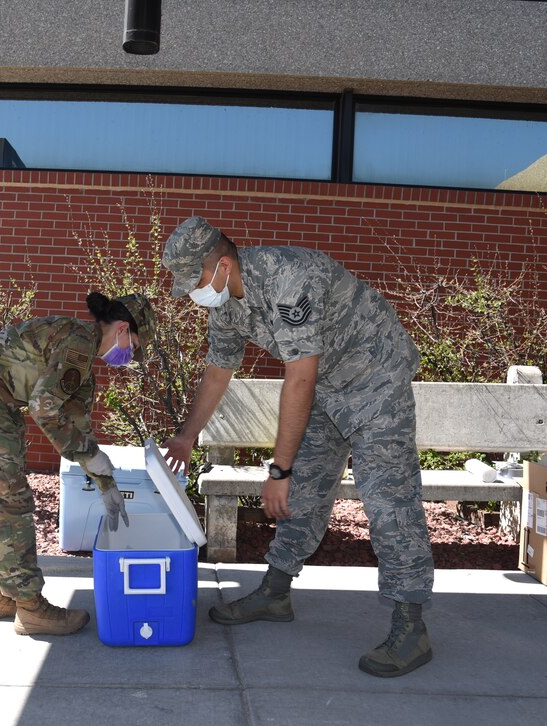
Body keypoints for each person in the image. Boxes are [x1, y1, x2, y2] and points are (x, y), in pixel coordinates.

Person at [160, 216, 434, 678]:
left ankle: (411, 625)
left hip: (376, 378)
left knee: (388, 499)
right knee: (304, 491)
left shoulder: (288, 278)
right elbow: (218, 371)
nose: (194, 292)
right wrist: (188, 436)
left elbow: (299, 376)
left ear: (224, 265)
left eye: (197, 280)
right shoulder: (225, 303)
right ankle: (276, 592)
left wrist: (278, 470)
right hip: (327, 386)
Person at [0, 291, 156, 636]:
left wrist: (107, 485)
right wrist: (89, 456)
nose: (130, 355)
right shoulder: (79, 345)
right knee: (5, 502)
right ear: (122, 327)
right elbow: (44, 407)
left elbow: (77, 429)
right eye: (134, 344)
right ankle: (30, 609)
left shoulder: (82, 360)